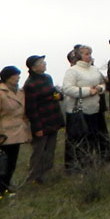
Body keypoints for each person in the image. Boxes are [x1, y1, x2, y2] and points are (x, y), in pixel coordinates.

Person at [60, 44, 109, 170]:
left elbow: (102, 83)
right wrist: (88, 91)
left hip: (94, 109)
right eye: (86, 54)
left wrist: (100, 88)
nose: (89, 56)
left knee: (93, 138)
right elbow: (67, 89)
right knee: (77, 140)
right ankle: (74, 167)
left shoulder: (94, 69)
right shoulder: (73, 71)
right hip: (78, 111)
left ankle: (91, 163)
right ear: (78, 56)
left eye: (90, 54)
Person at [0, 66, 29, 197]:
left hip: (17, 132)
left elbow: (23, 114)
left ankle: (5, 187)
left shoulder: (20, 92)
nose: (18, 77)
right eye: (16, 75)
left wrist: (27, 132)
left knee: (11, 164)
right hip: (3, 135)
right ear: (8, 78)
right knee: (0, 164)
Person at [22, 55, 63, 185]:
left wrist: (58, 96)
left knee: (50, 150)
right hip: (41, 121)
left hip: (53, 118)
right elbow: (31, 108)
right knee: (39, 151)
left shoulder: (47, 78)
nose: (44, 64)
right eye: (41, 62)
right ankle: (33, 177)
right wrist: (37, 127)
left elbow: (55, 93)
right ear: (34, 67)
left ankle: (45, 175)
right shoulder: (30, 84)